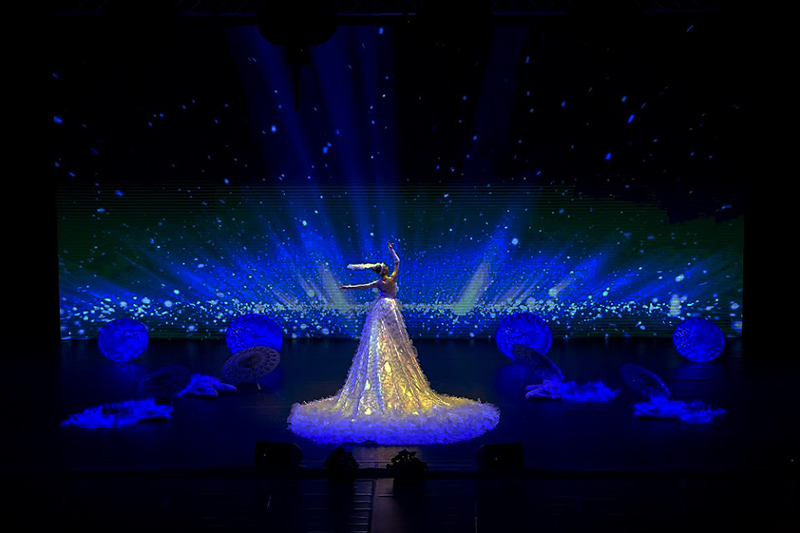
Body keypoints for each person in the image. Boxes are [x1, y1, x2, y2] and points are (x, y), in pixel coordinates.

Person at [288, 241, 499, 444]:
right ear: (383, 270)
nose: (387, 266)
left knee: (392, 335)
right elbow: (390, 267)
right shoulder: (388, 279)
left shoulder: (383, 281)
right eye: (384, 266)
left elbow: (368, 282)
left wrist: (350, 285)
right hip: (388, 308)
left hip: (385, 307)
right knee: (384, 336)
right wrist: (390, 252)